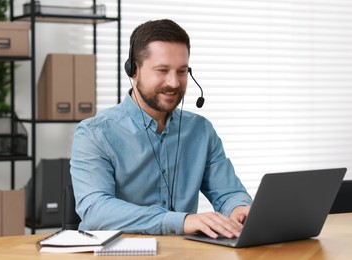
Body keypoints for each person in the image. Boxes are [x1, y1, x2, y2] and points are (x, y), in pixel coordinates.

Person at [70, 19, 252, 239]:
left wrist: (239, 209)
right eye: (162, 70)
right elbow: (95, 210)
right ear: (133, 70)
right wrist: (180, 221)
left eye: (182, 71)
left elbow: (229, 192)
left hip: (181, 253)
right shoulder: (94, 133)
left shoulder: (200, 131)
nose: (174, 83)